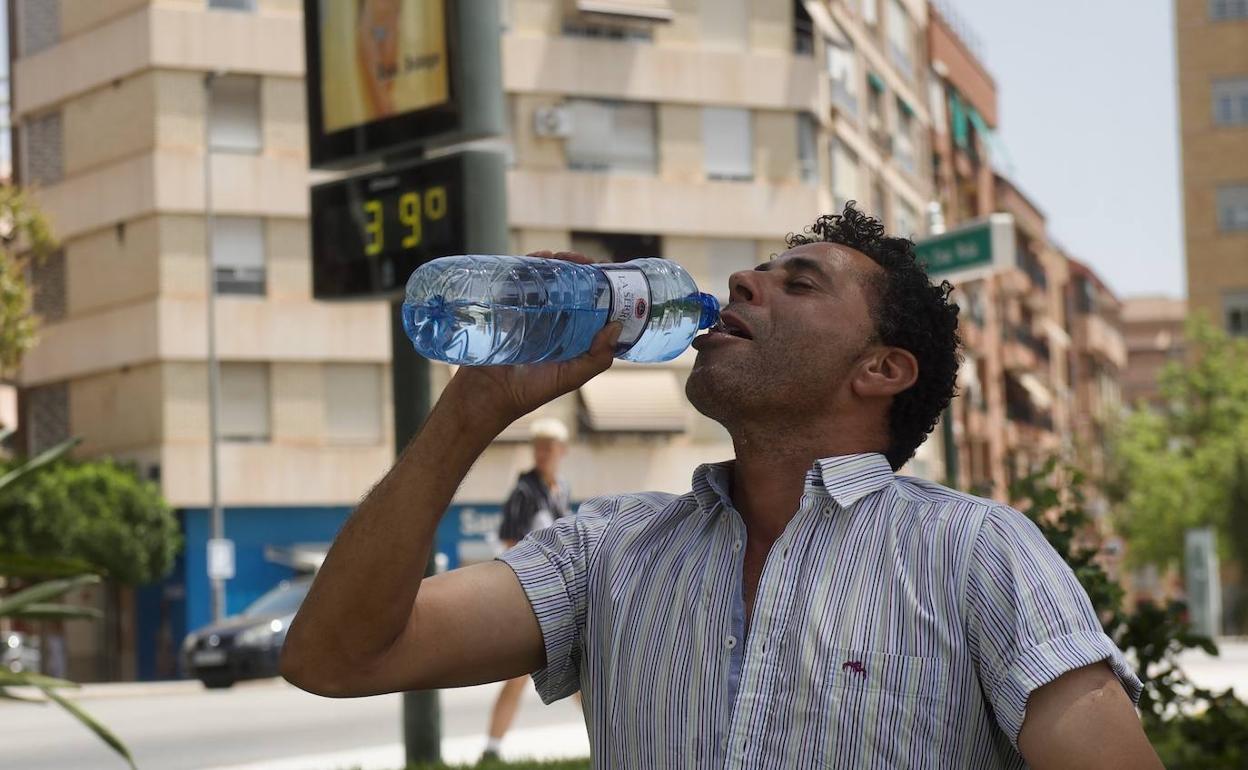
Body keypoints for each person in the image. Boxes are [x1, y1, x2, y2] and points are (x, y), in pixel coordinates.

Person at [281, 204, 1163, 768]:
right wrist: (471, 413)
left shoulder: (975, 553)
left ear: (882, 369)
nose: (743, 280)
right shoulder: (608, 551)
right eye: (758, 271)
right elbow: (335, 657)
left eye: (799, 282)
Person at [482, 417, 573, 761]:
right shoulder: (523, 493)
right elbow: (510, 544)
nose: (542, 454)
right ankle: (491, 748)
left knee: (583, 670)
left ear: (562, 451)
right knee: (520, 674)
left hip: (560, 594)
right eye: (538, 447)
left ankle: (607, 741)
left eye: (548, 448)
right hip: (531, 597)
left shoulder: (561, 490)